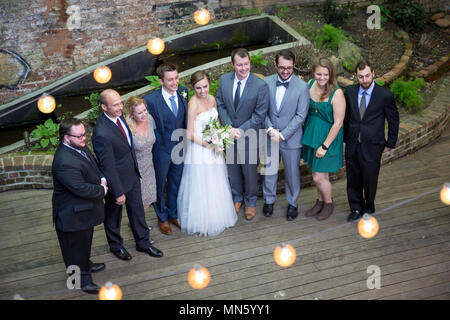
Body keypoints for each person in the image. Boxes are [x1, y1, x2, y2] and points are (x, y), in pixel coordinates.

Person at [92, 89, 163, 261]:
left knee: (138, 211)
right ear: (104, 107)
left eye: (120, 103)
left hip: (132, 175)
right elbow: (107, 166)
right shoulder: (102, 132)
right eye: (115, 105)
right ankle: (116, 246)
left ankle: (143, 243)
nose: (120, 107)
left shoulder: (120, 117)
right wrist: (117, 191)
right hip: (116, 182)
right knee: (114, 217)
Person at [177, 71, 237, 236]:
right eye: (198, 88)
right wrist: (208, 144)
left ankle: (218, 215)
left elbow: (216, 121)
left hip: (214, 147)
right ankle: (201, 219)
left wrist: (220, 138)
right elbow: (189, 133)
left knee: (216, 181)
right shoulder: (192, 104)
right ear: (193, 88)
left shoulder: (211, 99)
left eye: (205, 87)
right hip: (200, 149)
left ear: (209, 84)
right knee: (201, 184)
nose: (202, 91)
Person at [52, 118, 107, 294]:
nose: (84, 139)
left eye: (85, 134)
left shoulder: (78, 146)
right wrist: (101, 189)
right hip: (72, 214)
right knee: (74, 249)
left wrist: (102, 177)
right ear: (65, 137)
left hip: (83, 210)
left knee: (84, 243)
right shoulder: (64, 161)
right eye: (79, 136)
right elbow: (79, 188)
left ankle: (86, 264)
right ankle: (81, 280)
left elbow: (92, 164)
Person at [216, 48, 269, 221]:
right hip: (229, 134)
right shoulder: (224, 80)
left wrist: (241, 130)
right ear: (233, 65)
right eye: (239, 65)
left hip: (249, 135)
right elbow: (220, 104)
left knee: (249, 170)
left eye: (246, 64)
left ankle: (251, 201)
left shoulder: (260, 85)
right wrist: (229, 126)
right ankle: (237, 198)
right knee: (233, 167)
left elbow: (260, 114)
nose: (243, 68)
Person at [344, 60, 399, 222]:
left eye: (367, 76)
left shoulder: (384, 95)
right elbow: (347, 118)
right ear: (356, 76)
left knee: (369, 177)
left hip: (373, 144)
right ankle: (355, 207)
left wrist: (390, 143)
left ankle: (368, 207)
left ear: (373, 73)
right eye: (361, 77)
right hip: (353, 142)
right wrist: (346, 137)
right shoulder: (350, 92)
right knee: (353, 177)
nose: (365, 80)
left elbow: (393, 120)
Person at [262, 49, 310, 220]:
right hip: (269, 136)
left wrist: (282, 135)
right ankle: (269, 201)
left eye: (289, 68)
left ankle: (292, 203)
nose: (285, 71)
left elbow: (301, 115)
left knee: (292, 173)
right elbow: (262, 110)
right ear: (276, 65)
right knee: (269, 171)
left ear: (294, 66)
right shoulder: (266, 82)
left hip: (291, 139)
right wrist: (269, 130)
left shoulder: (302, 87)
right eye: (282, 67)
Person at [143, 63, 188, 235]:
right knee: (160, 185)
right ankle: (162, 218)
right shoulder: (151, 100)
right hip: (161, 151)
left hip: (180, 148)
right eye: (170, 80)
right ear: (161, 80)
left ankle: (172, 214)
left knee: (175, 183)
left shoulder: (184, 92)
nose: (175, 82)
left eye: (176, 78)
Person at [301, 58, 346, 221]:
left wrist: (325, 146)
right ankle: (319, 201)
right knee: (318, 173)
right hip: (312, 135)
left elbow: (338, 122)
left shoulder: (337, 93)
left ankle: (328, 203)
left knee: (318, 177)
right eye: (318, 73)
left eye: (325, 74)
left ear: (331, 74)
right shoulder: (310, 83)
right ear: (314, 73)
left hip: (327, 139)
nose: (321, 77)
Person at [123, 96, 157, 234]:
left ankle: (136, 222)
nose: (144, 114)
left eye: (145, 110)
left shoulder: (150, 119)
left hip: (149, 165)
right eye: (140, 112)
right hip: (136, 169)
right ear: (132, 114)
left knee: (148, 198)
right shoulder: (128, 128)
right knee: (138, 201)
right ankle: (138, 226)